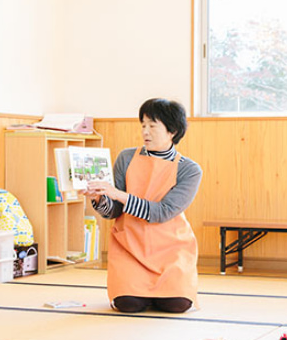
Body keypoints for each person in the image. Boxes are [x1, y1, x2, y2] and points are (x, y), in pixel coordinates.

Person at [84, 98, 203, 313]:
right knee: (129, 305)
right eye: (143, 125)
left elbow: (162, 212)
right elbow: (115, 211)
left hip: (171, 250)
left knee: (176, 305)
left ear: (172, 131)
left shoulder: (190, 170)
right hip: (130, 248)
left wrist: (117, 194)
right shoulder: (126, 157)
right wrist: (99, 198)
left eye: (152, 126)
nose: (145, 132)